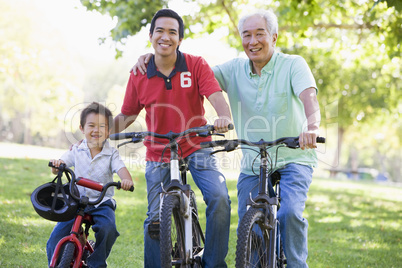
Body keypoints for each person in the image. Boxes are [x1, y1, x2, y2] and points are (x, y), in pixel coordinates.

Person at [133, 9, 321, 268]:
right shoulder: (233, 69)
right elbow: (189, 74)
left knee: (289, 213)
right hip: (254, 160)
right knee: (250, 220)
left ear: (274, 37)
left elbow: (309, 97)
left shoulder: (293, 64)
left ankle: (297, 265)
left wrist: (312, 127)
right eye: (247, 35)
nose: (253, 41)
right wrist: (155, 57)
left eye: (260, 34)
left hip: (294, 155)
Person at [112, 9, 232, 268]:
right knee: (154, 217)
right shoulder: (139, 73)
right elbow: (128, 113)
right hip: (158, 151)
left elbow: (215, 93)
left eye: (172, 32)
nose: (165, 36)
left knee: (220, 198)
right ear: (151, 35)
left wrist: (223, 116)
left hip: (196, 145)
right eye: (160, 31)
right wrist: (101, 133)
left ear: (180, 39)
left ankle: (213, 263)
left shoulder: (195, 64)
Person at [47, 102, 134, 268]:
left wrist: (126, 180)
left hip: (101, 202)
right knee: (55, 237)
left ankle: (97, 262)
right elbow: (61, 164)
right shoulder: (77, 149)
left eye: (102, 126)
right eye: (91, 125)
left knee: (108, 228)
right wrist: (57, 165)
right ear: (82, 128)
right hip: (76, 201)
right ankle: (55, 263)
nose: (96, 130)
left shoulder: (112, 154)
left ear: (109, 131)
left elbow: (122, 170)